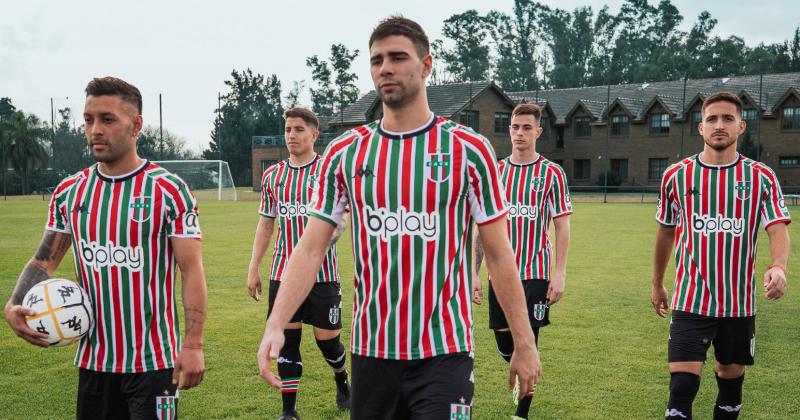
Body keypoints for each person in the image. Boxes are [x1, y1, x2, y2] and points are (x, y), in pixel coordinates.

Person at [256, 16, 540, 420]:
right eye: (376, 60)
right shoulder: (347, 153)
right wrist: (276, 322)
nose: (384, 67)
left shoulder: (468, 150)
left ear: (426, 65)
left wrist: (525, 342)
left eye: (397, 57)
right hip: (372, 352)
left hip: (445, 349)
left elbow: (498, 254)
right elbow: (311, 247)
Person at [4, 77, 207, 420]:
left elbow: (191, 270)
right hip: (94, 361)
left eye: (107, 119)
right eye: (88, 119)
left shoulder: (169, 190)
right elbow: (43, 261)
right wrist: (14, 303)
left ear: (136, 125)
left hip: (155, 364)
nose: (95, 129)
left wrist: (193, 344)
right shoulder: (70, 192)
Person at [651, 91, 791, 419]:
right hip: (690, 302)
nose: (719, 125)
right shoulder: (676, 175)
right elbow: (665, 232)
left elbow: (777, 229)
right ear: (700, 127)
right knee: (681, 390)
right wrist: (657, 283)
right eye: (712, 119)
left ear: (741, 127)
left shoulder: (761, 177)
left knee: (730, 385)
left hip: (738, 306)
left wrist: (779, 267)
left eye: (728, 118)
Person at [247, 107, 350, 420]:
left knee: (327, 343)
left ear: (314, 135)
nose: (291, 135)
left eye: (299, 130)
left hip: (324, 275)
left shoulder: (329, 173)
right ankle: (288, 411)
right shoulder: (273, 177)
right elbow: (266, 225)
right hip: (282, 273)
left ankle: (342, 379)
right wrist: (254, 267)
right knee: (287, 341)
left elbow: (345, 222)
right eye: (288, 129)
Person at [474, 103, 571, 419]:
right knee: (506, 346)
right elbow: (481, 227)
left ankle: (522, 413)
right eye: (515, 127)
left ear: (538, 132)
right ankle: (523, 368)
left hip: (535, 273)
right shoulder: (496, 172)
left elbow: (562, 224)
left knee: (528, 340)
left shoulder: (552, 173)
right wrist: (474, 271)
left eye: (526, 127)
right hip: (497, 275)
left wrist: (559, 273)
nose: (519, 133)